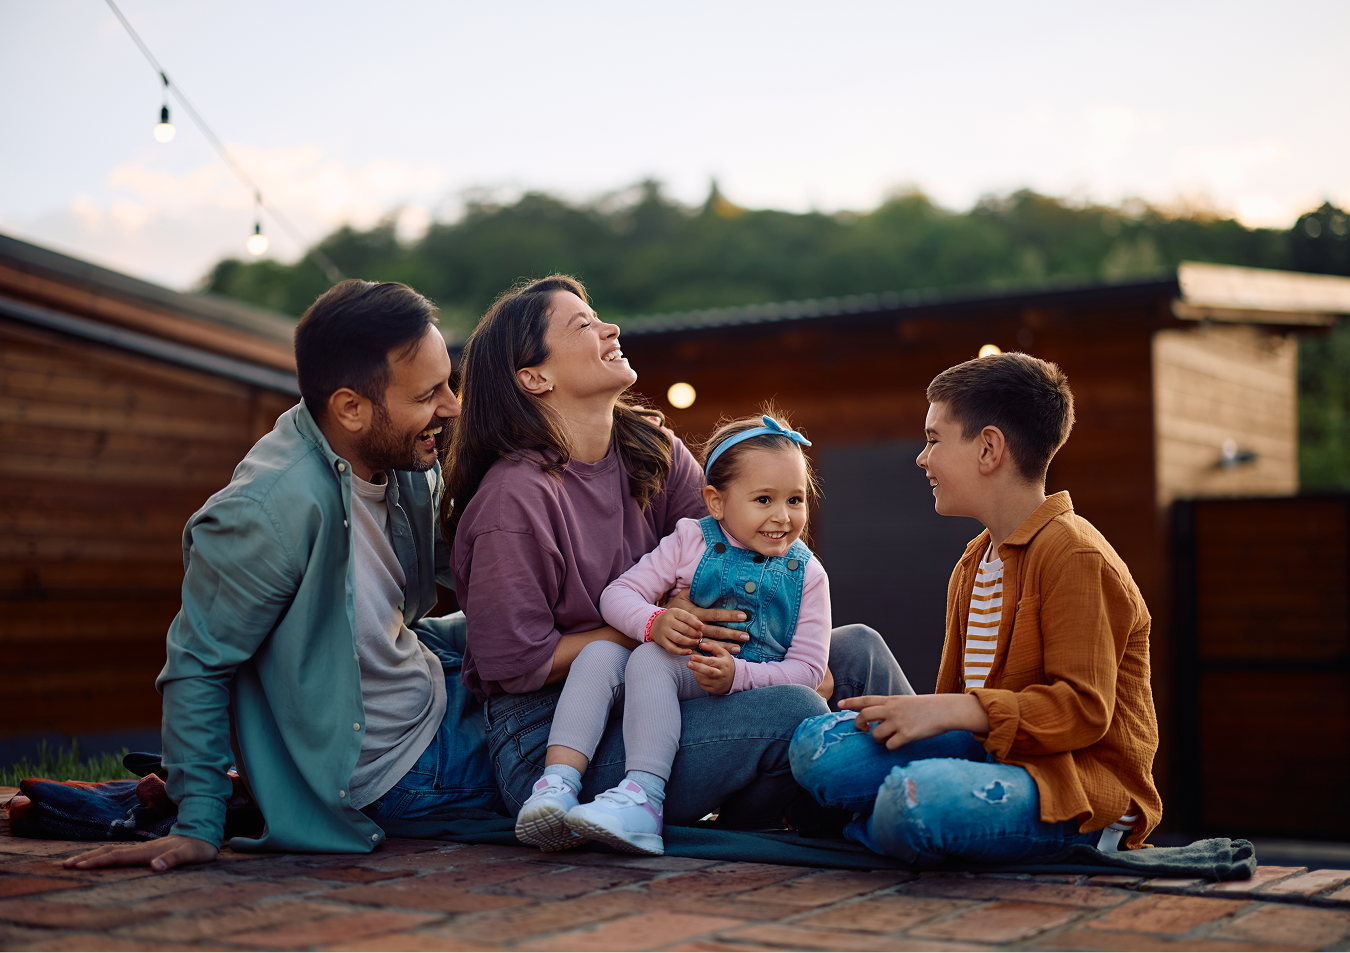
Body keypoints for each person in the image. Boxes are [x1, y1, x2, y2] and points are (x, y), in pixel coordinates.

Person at [444, 275, 914, 845]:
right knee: (790, 707)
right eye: (583, 325)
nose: (610, 328)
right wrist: (654, 624)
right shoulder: (512, 500)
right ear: (534, 377)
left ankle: (936, 782)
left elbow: (742, 544)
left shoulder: (651, 450)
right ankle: (894, 809)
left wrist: (789, 649)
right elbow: (516, 666)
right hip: (557, 744)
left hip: (675, 680)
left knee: (857, 649)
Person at [65, 280, 499, 872]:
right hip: (399, 766)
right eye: (430, 394)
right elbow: (196, 665)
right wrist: (199, 822)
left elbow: (486, 571)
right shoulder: (264, 513)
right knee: (601, 751)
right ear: (350, 407)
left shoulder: (402, 460)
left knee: (579, 664)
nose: (451, 406)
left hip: (428, 682)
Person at [789, 352, 1163, 866]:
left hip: (1072, 787)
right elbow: (955, 708)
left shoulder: (1074, 554)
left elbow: (1083, 711)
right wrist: (930, 717)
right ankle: (892, 826)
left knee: (915, 799)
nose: (922, 458)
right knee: (816, 748)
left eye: (934, 439)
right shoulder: (973, 562)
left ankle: (890, 824)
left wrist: (950, 711)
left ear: (989, 448)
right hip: (989, 753)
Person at [516, 409, 830, 855]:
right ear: (717, 502)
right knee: (599, 655)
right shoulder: (690, 540)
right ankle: (557, 783)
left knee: (648, 659)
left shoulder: (807, 574)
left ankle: (644, 795)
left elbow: (811, 671)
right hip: (674, 670)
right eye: (764, 500)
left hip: (742, 688)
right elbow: (619, 594)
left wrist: (737, 675)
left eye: (795, 500)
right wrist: (653, 621)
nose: (783, 517)